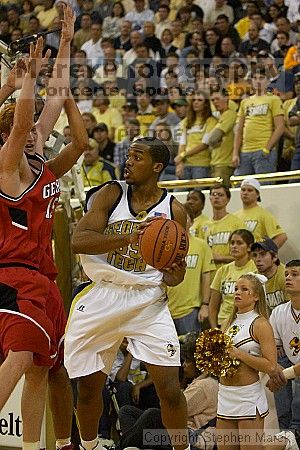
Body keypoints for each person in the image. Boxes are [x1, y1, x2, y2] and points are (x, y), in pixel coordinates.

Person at [64, 137, 189, 450]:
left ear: (157, 166)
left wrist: (175, 274)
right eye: (129, 156)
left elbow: (176, 273)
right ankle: (90, 446)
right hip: (103, 294)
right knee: (90, 387)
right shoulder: (112, 192)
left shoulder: (174, 210)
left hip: (148, 299)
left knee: (170, 389)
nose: (128, 162)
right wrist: (127, 238)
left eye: (137, 157)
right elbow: (79, 241)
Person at [117, 331, 218, 450]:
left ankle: (121, 447)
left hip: (189, 435)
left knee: (153, 414)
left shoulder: (203, 385)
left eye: (188, 361)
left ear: (198, 364)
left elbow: (172, 409)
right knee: (127, 411)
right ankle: (133, 445)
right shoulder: (202, 380)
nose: (184, 365)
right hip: (177, 430)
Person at [216, 273, 277, 449]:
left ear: (256, 296)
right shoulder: (229, 321)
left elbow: (271, 366)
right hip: (225, 394)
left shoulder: (260, 324)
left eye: (244, 289)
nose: (237, 292)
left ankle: (285, 442)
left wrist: (240, 355)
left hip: (248, 397)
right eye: (236, 288)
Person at [167, 203, 216, 336]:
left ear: (192, 221)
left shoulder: (201, 245)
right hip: (165, 310)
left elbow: (206, 276)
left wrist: (205, 304)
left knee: (191, 353)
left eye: (185, 218)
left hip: (190, 311)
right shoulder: (166, 246)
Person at [266, 260, 300, 437]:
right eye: (286, 274)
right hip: (293, 367)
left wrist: (281, 375)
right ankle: (284, 430)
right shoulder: (279, 311)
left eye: (294, 274)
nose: (288, 277)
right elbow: (273, 349)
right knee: (276, 363)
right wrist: (275, 369)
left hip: (296, 370)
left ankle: (295, 432)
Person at [232, 68, 284, 176]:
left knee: (264, 187)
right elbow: (239, 130)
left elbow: (280, 127)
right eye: (255, 78)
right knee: (240, 186)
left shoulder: (274, 99)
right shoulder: (245, 102)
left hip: (263, 150)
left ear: (268, 81)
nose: (258, 81)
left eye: (261, 78)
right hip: (244, 152)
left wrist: (267, 149)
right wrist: (235, 153)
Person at [209, 229, 256, 328]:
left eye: (239, 243)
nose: (234, 246)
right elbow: (213, 306)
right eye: (232, 243)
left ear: (249, 247)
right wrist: (215, 330)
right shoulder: (223, 270)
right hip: (223, 322)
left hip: (247, 322)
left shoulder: (255, 269)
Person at [234, 178, 288, 248]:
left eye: (250, 190)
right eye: (243, 190)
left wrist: (265, 252)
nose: (245, 193)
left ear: (257, 194)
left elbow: (282, 237)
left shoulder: (263, 214)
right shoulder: (235, 215)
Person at [203, 183, 244, 270]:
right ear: (210, 198)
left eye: (220, 195)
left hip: (231, 273)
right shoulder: (204, 225)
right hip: (210, 276)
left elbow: (245, 254)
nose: (216, 197)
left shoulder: (237, 223)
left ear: (228, 199)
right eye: (214, 194)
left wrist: (222, 258)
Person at [251, 238, 288, 311]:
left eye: (262, 254)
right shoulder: (253, 279)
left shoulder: (286, 276)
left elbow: (293, 310)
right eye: (255, 255)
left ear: (274, 257)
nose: (257, 259)